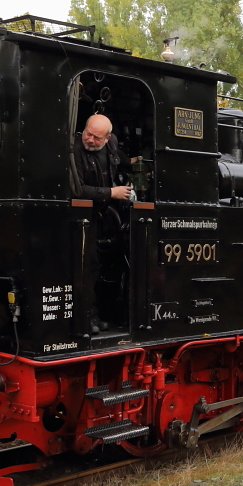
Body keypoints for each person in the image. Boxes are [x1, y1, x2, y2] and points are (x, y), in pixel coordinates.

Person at [73, 114, 133, 335]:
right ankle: (85, 319)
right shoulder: (74, 151)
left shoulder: (113, 143)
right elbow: (77, 189)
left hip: (100, 217)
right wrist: (111, 192)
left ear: (107, 138)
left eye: (97, 138)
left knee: (100, 266)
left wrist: (132, 162)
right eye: (88, 133)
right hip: (79, 217)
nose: (90, 140)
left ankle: (98, 315)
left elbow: (118, 157)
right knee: (85, 268)